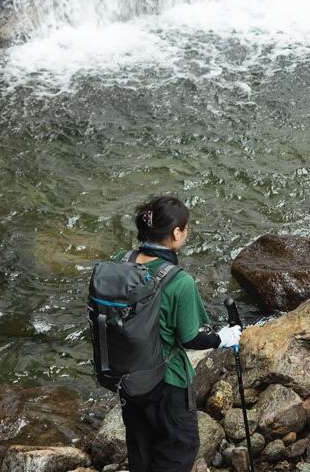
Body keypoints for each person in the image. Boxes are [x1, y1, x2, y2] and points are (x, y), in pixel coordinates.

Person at [115, 195, 241, 472]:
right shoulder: (179, 281)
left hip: (128, 378)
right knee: (179, 448)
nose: (187, 232)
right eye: (187, 228)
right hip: (167, 382)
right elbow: (190, 339)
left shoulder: (120, 262)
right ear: (176, 233)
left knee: (141, 446)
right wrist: (224, 338)